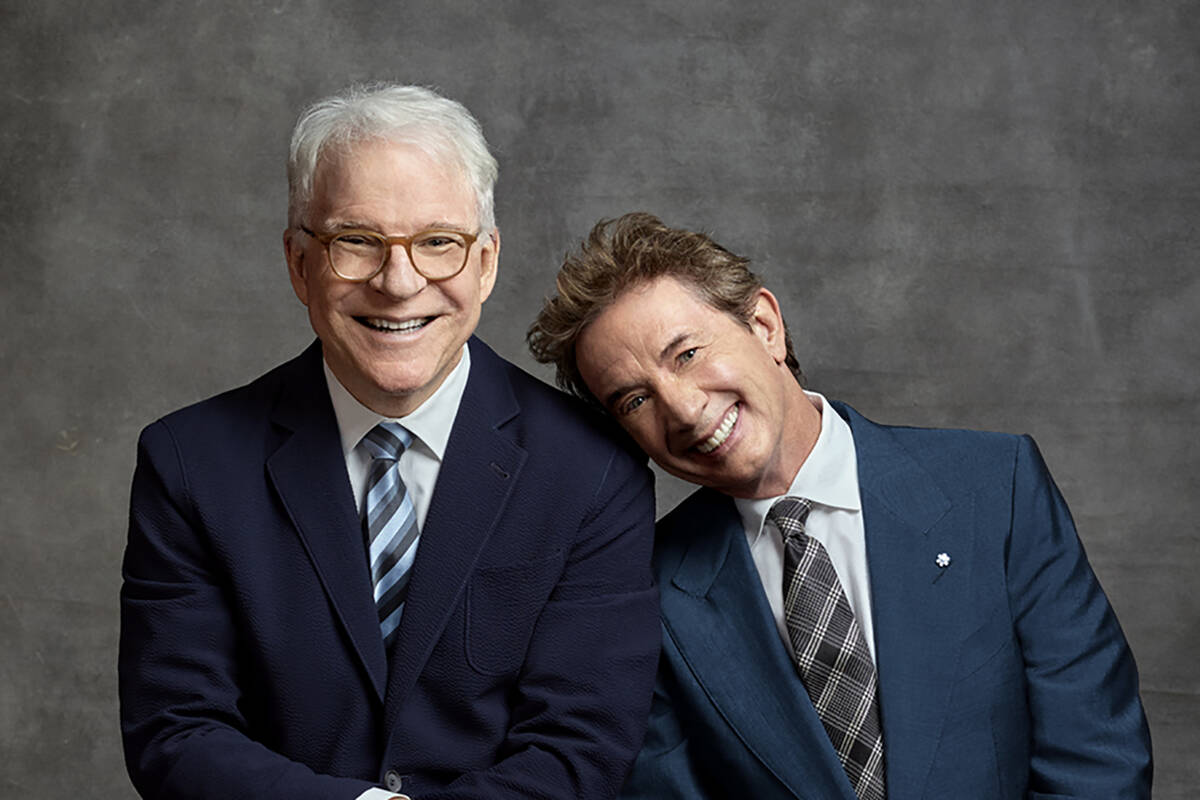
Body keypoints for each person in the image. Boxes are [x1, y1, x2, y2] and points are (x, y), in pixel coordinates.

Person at [119, 85, 660, 800]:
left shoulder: (593, 469)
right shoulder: (189, 464)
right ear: (299, 263)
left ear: (486, 262)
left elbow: (583, 748)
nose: (399, 282)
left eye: (439, 242)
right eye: (357, 241)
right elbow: (177, 733)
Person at [528, 212, 1152, 799]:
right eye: (635, 400)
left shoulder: (995, 487)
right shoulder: (647, 591)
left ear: (764, 325)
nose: (684, 409)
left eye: (687, 355)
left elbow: (1097, 756)